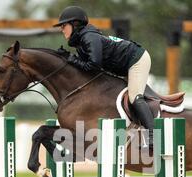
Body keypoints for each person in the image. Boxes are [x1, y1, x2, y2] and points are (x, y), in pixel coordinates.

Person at [54, 6, 154, 148]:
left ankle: (152, 137)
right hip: (123, 65)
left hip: (136, 59)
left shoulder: (89, 37)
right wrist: (70, 59)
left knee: (135, 97)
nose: (61, 29)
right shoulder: (82, 41)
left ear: (75, 24)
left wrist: (71, 59)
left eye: (64, 25)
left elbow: (93, 66)